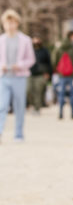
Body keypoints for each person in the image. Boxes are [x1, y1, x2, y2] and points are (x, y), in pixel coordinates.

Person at [0, 9, 35, 142]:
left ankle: (19, 134)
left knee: (19, 105)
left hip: (19, 76)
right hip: (4, 76)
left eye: (12, 22)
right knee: (2, 105)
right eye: (7, 23)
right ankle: (0, 131)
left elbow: (31, 59)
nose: (10, 26)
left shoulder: (25, 40)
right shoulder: (1, 40)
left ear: (17, 23)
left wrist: (19, 65)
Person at [54, 31, 73, 119]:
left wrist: (58, 70)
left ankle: (60, 113)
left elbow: (54, 60)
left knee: (61, 94)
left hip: (62, 75)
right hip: (72, 74)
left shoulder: (60, 48)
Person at [28, 36, 53, 113]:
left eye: (37, 39)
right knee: (29, 90)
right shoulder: (29, 50)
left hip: (41, 74)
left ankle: (37, 108)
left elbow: (49, 63)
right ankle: (32, 104)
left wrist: (48, 74)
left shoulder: (45, 51)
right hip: (29, 73)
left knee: (38, 92)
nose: (35, 41)